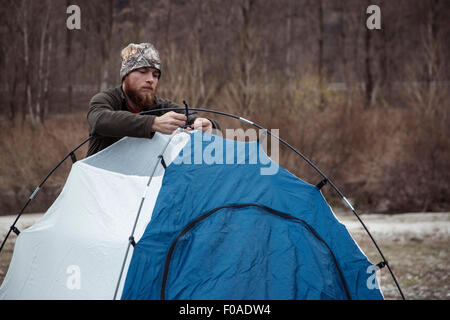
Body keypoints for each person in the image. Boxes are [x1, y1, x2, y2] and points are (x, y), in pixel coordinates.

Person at [86, 42, 220, 157]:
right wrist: (153, 123)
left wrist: (208, 124)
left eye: (155, 75)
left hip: (138, 183)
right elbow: (99, 120)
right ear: (125, 75)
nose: (151, 79)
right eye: (143, 72)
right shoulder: (106, 99)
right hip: (98, 181)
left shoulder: (160, 107)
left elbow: (190, 118)